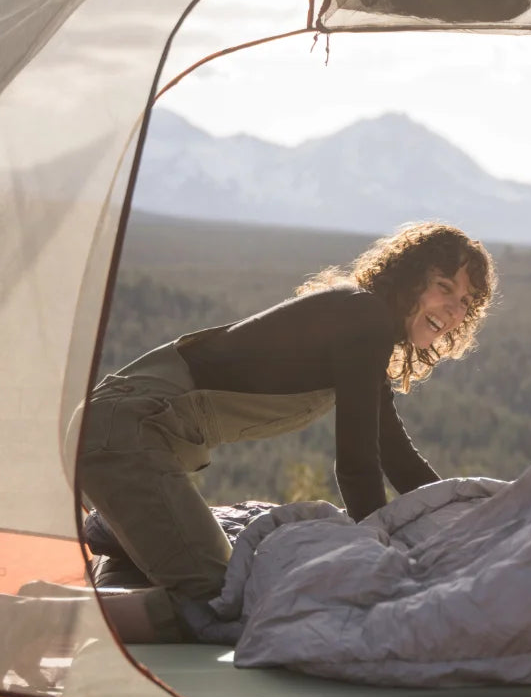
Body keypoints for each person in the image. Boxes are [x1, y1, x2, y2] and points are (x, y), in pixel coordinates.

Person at [37, 221, 495, 647]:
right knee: (220, 600)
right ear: (411, 276)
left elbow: (395, 454)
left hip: (119, 431)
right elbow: (358, 465)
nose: (453, 311)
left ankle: (79, 577)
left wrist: (469, 522)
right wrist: (381, 561)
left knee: (210, 577)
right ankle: (25, 619)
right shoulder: (366, 318)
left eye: (466, 303)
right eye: (444, 288)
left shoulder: (363, 322)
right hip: (123, 433)